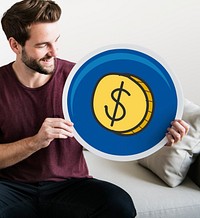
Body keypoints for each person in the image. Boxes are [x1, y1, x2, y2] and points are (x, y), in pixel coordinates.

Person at [0, 0, 189, 218]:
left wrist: (160, 138)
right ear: (15, 45)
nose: (54, 51)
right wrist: (35, 142)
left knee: (119, 204)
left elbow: (117, 133)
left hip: (69, 186)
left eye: (56, 41)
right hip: (11, 187)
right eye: (43, 45)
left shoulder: (80, 81)